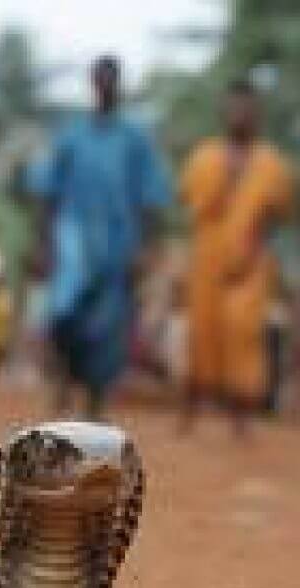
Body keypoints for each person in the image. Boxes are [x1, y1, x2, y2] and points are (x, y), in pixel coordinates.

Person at [30, 55, 170, 419]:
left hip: (117, 246)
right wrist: (44, 244)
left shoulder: (135, 139)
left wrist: (145, 248)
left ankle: (96, 404)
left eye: (112, 79)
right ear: (92, 84)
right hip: (73, 244)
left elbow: (150, 197)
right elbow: (48, 192)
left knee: (108, 328)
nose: (106, 85)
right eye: (100, 79)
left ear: (119, 85)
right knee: (63, 318)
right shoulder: (71, 136)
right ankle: (61, 389)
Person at [180, 80, 293, 438]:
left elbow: (281, 212)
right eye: (234, 107)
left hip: (250, 263)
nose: (240, 114)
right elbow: (190, 203)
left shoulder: (272, 163)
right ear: (223, 112)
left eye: (247, 108)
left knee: (243, 333)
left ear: (257, 114)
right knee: (201, 332)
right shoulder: (204, 156)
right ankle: (189, 412)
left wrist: (257, 246)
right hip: (207, 258)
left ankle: (239, 418)